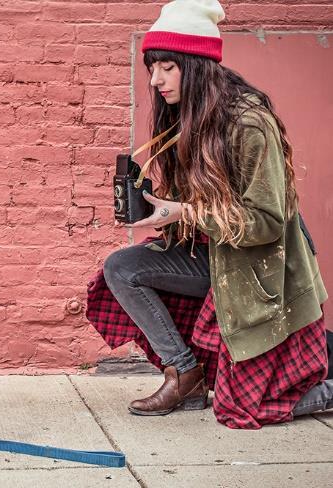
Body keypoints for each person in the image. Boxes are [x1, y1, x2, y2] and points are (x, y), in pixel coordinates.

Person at [87, 0, 332, 428]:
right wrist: (163, 210)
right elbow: (200, 208)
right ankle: (185, 373)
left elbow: (268, 223)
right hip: (213, 257)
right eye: (151, 66)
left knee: (241, 410)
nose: (156, 78)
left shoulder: (249, 124)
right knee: (122, 268)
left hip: (260, 273)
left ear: (197, 65)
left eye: (167, 66)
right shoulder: (186, 117)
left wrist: (185, 210)